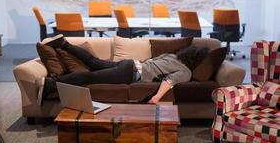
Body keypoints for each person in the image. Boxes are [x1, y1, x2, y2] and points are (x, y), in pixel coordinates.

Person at [37, 35, 209, 105]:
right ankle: (51, 84)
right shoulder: (186, 72)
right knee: (88, 77)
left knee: (93, 61)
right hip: (129, 73)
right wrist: (156, 97)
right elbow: (168, 82)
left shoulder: (173, 56)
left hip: (130, 64)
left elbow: (152, 61)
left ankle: (64, 44)